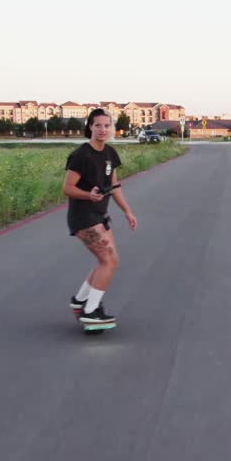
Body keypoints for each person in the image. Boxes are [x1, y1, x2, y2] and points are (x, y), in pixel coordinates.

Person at [63, 108, 137, 325]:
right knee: (110, 261)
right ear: (90, 127)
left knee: (105, 260)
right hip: (83, 216)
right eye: (98, 125)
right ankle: (90, 310)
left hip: (99, 215)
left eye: (107, 125)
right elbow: (67, 188)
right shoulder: (81, 155)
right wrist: (88, 195)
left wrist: (127, 211)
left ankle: (81, 300)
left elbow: (113, 186)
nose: (103, 130)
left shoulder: (110, 154)